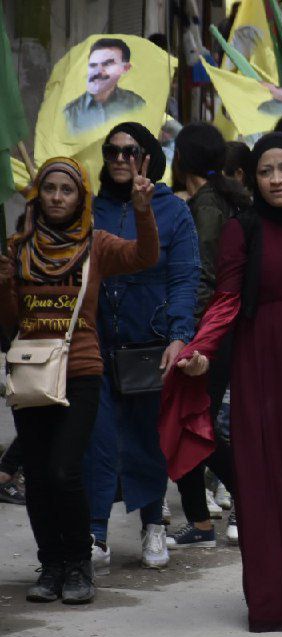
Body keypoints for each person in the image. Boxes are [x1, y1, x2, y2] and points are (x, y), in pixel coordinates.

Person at [170, 133, 282, 632]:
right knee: (265, 482)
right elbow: (227, 298)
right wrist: (202, 348)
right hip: (262, 362)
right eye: (266, 171)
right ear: (252, 177)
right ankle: (272, 595)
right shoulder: (241, 229)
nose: (277, 180)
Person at [2, 157, 157, 605]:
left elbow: (144, 257)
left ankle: (78, 564)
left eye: (66, 190)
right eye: (49, 188)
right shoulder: (18, 248)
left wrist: (142, 210)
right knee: (38, 476)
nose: (56, 197)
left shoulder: (96, 244)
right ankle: (51, 565)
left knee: (64, 470)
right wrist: (4, 285)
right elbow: (9, 324)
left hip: (81, 370)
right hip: (30, 371)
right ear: (38, 194)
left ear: (80, 197)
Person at [86, 123, 199, 573]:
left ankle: (153, 523)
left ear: (148, 156)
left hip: (149, 341)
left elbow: (185, 277)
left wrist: (179, 334)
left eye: (130, 151)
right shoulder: (89, 209)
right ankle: (95, 532)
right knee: (96, 441)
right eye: (111, 151)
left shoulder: (173, 210)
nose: (119, 159)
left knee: (148, 441)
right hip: (93, 342)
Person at [165, 123, 249, 549]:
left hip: (208, 331)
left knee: (194, 424)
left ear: (181, 160)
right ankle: (200, 520)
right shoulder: (215, 200)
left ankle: (245, 501)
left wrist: (188, 331)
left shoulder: (208, 206)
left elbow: (203, 274)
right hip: (214, 328)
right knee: (191, 423)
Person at [63, 38, 147, 137]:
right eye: (93, 65)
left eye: (107, 64)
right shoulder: (70, 114)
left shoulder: (136, 105)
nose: (98, 71)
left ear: (125, 68)